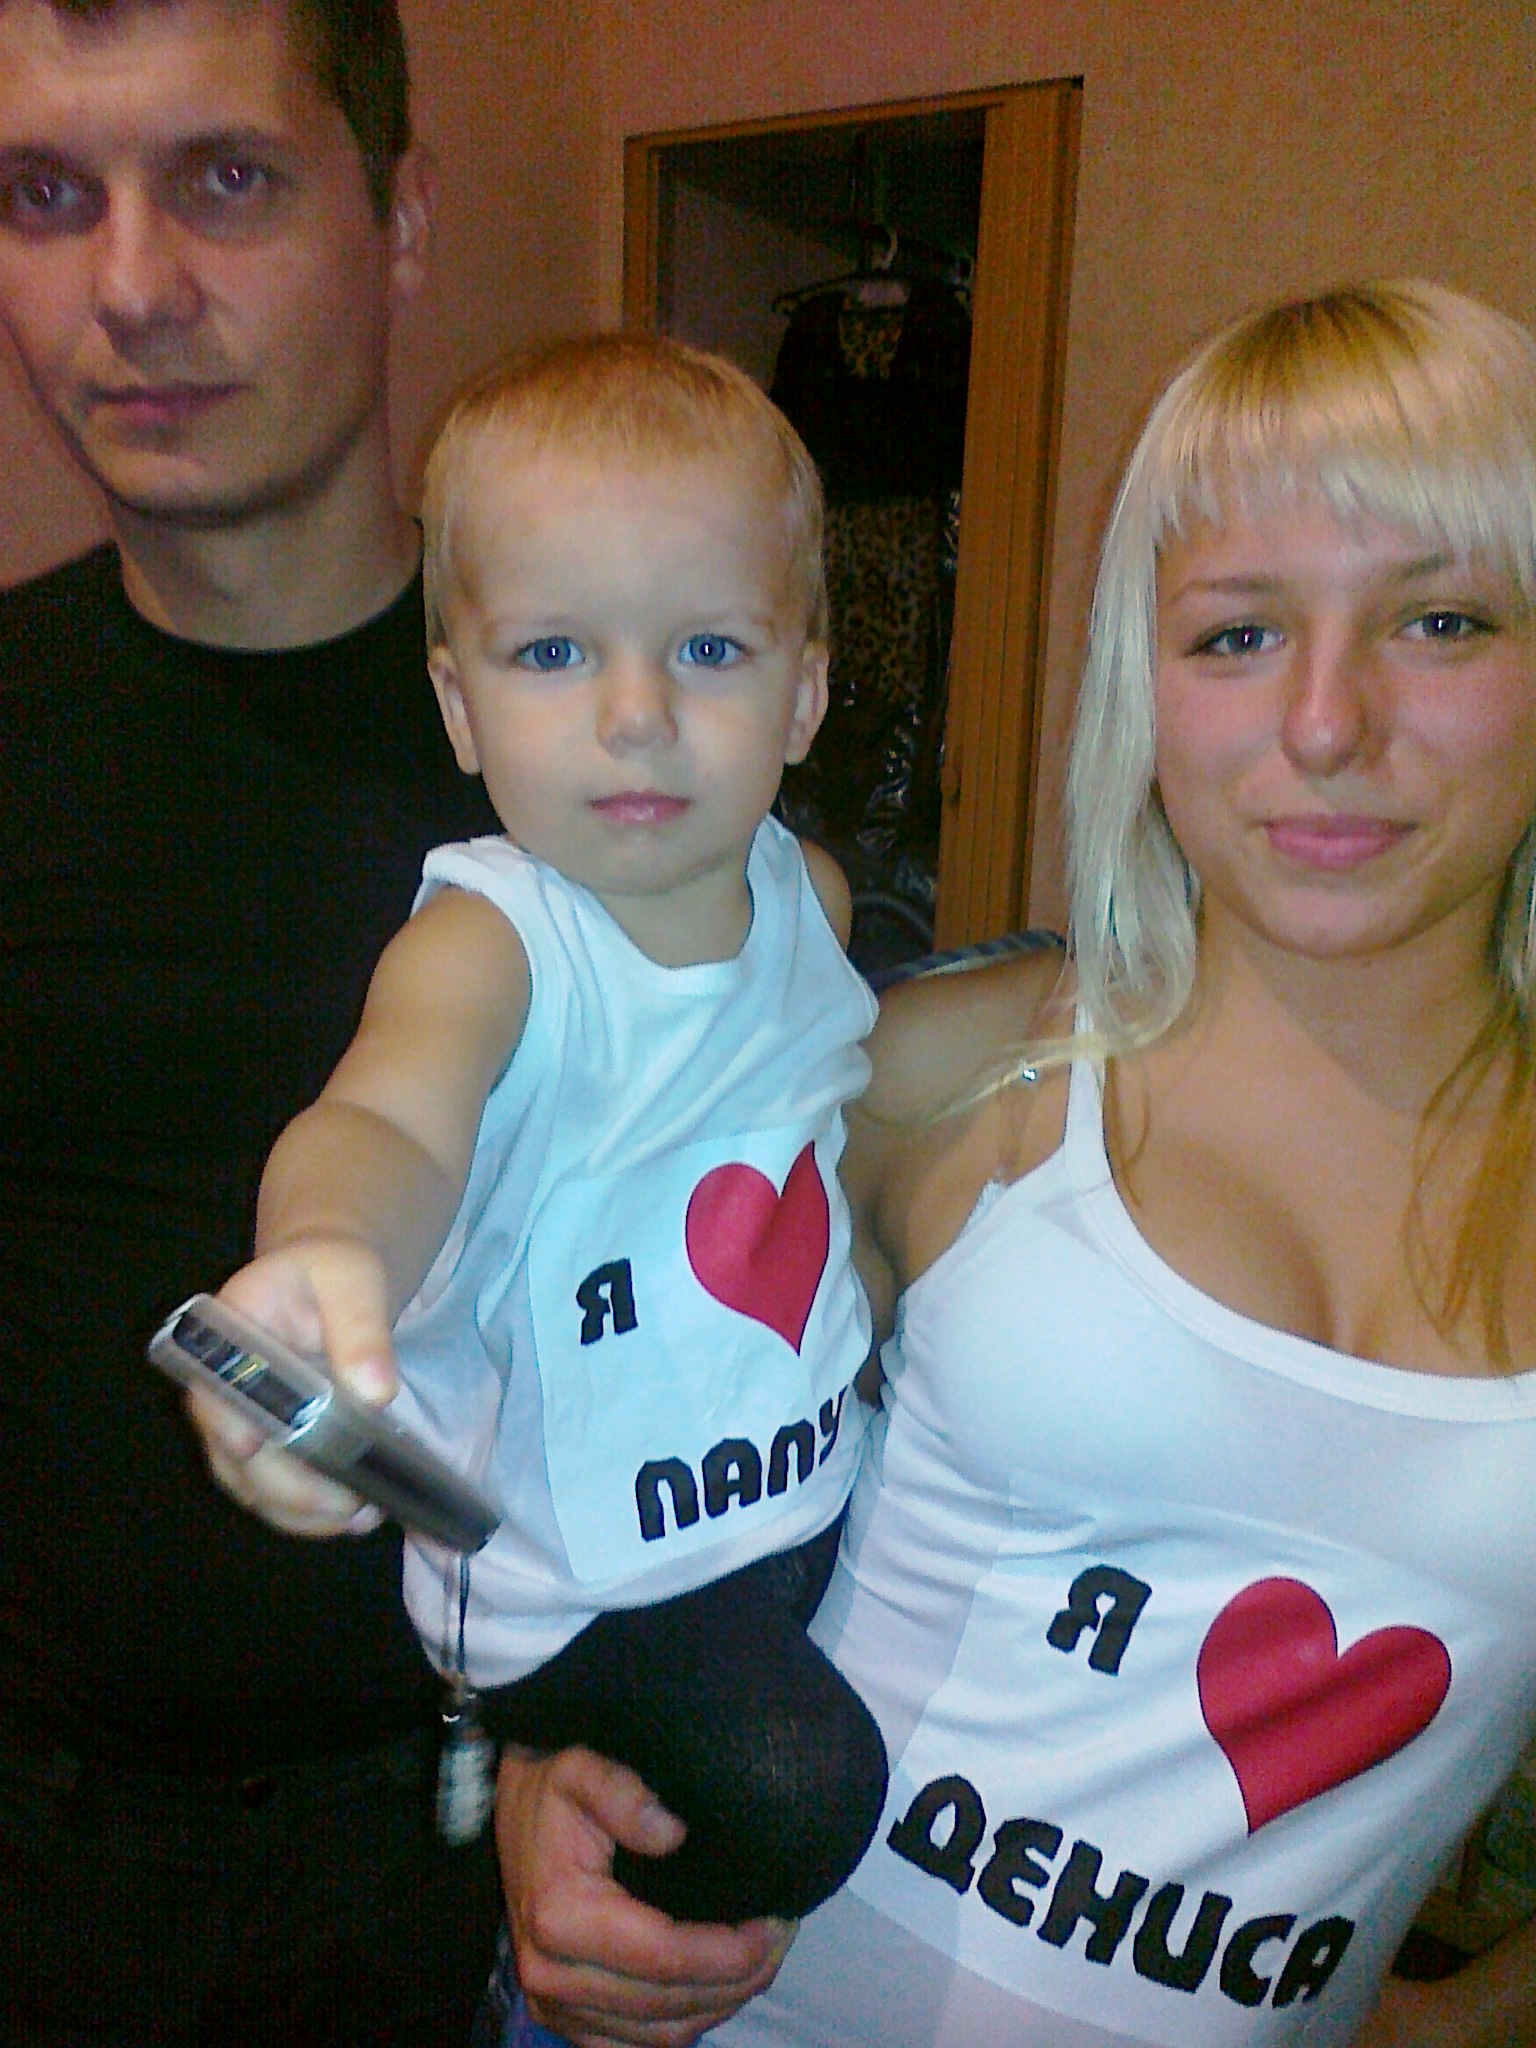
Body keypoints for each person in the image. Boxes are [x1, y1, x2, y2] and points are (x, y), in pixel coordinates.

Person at [491, 278, 1536, 2047]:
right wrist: (548, 1749)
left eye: (1441, 621)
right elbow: (586, 1409)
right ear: (1147, 679)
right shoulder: (943, 1068)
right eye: (1238, 634)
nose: (1326, 723)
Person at [199, 333, 890, 1932]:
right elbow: (388, 1117)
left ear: (803, 691)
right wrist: (322, 1256)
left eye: (708, 648)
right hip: (576, 1577)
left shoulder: (814, 898)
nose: (636, 715)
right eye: (555, 652)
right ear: (460, 704)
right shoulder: (493, 942)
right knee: (802, 1791)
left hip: (792, 1481)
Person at [0, 0, 505, 2040]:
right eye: (46, 195)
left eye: (225, 178)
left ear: (400, 220)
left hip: (471, 1846)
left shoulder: (606, 743)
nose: (129, 289)